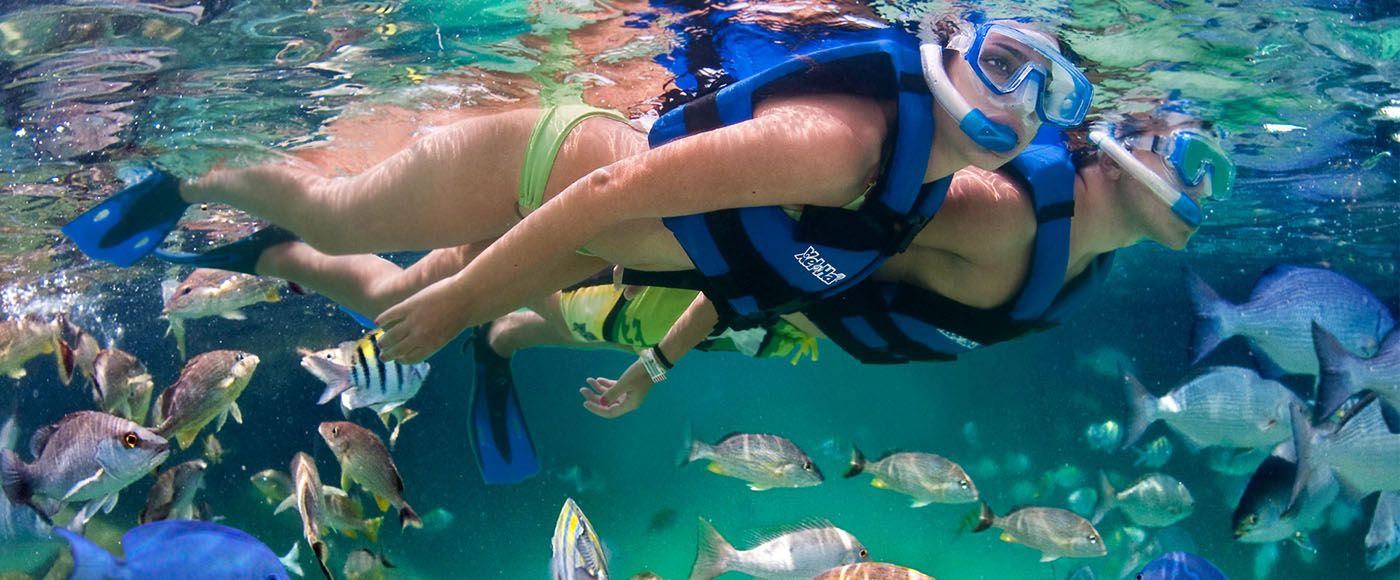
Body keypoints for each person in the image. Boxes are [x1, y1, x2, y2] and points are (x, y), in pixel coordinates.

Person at [61, 13, 1094, 482]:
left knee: (378, 278)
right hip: (544, 164)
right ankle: (189, 172)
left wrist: (649, 364)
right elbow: (611, 188)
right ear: (948, 41)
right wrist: (471, 297)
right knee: (343, 213)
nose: (1019, 102)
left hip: (597, 240)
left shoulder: (914, 192)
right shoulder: (842, 143)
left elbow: (754, 278)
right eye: (1005, 62)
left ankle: (253, 246)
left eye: (1049, 90)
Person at [481, 107, 1233, 420]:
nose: (1206, 189)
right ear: (1116, 148)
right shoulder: (997, 215)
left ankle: (503, 325)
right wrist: (655, 366)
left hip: (793, 324)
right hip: (712, 279)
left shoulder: (1090, 253)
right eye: (1193, 158)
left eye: (1221, 177)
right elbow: (785, 247)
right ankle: (481, 319)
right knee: (544, 288)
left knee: (558, 308)